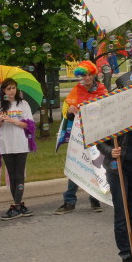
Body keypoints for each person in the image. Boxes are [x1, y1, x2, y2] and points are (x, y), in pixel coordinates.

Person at [95, 72, 132, 262]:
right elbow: (100, 140)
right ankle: (126, 256)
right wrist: (111, 151)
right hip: (118, 168)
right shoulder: (113, 116)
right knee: (122, 213)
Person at [53, 61, 107, 214]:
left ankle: (95, 199)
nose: (87, 78)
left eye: (89, 74)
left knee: (95, 166)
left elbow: (107, 111)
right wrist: (70, 111)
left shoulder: (102, 90)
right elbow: (68, 115)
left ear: (94, 75)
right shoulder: (77, 90)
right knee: (75, 165)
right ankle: (69, 201)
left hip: (96, 134)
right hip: (79, 135)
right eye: (84, 75)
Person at [0, 78, 37, 220]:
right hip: (6, 144)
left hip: (21, 143)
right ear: (3, 90)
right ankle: (18, 206)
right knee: (12, 175)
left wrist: (14, 120)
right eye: (8, 88)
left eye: (13, 88)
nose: (11, 91)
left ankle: (16, 206)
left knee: (19, 174)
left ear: (17, 89)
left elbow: (29, 125)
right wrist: (1, 121)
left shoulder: (23, 104)